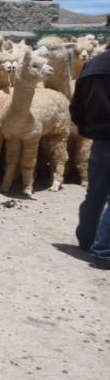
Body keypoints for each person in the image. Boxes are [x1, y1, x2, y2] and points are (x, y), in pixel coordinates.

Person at [71, 45, 110, 268]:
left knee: (95, 193)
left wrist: (89, 130)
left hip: (101, 140)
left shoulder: (93, 65)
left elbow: (76, 106)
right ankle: (103, 253)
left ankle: (87, 240)